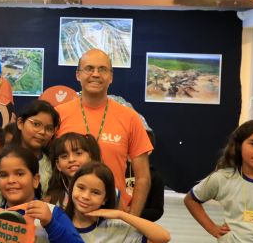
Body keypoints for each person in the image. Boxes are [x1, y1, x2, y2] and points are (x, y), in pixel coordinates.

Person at [55, 49, 152, 215]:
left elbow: (143, 177)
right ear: (78, 75)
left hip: (113, 214)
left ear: (111, 77)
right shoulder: (59, 115)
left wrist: (132, 219)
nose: (95, 74)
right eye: (89, 68)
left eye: (102, 69)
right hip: (67, 213)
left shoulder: (130, 118)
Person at [65, 162, 170, 243]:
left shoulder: (117, 228)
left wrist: (121, 215)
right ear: (72, 188)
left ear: (105, 199)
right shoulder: (59, 221)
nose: (86, 196)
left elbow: (163, 237)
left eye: (95, 192)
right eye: (81, 188)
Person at [44, 133, 101, 209]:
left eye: (78, 153)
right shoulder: (50, 200)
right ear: (58, 165)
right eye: (64, 156)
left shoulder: (109, 190)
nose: (71, 159)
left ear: (90, 157)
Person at [16, 100, 60, 189]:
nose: (42, 132)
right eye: (36, 124)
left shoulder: (54, 164)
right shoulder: (5, 159)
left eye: (49, 128)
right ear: (20, 123)